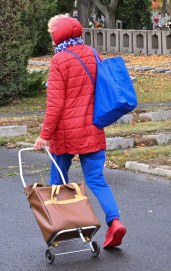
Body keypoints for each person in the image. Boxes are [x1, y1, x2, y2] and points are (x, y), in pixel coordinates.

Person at [34, 14, 126, 249]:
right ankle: (114, 222)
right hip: (93, 128)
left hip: (65, 133)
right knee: (96, 179)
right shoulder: (92, 53)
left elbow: (55, 105)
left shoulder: (59, 60)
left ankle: (61, 229)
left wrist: (44, 135)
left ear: (57, 35)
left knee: (59, 182)